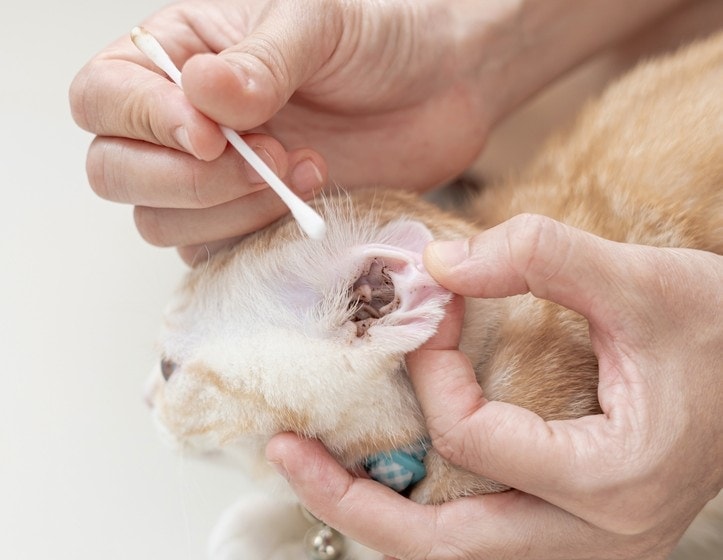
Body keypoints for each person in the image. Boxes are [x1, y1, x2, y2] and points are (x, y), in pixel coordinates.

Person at [70, 0, 722, 558]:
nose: (149, 400)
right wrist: (451, 56)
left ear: (371, 304)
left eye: (169, 367)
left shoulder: (550, 382)